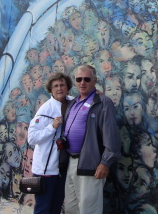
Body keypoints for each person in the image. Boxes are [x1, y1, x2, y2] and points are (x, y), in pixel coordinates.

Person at [63, 65, 121, 214]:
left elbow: (111, 136)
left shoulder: (103, 102)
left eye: (87, 79)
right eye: (79, 79)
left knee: (89, 210)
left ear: (94, 80)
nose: (82, 83)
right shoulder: (72, 103)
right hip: (71, 162)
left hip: (91, 164)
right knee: (71, 208)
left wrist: (105, 163)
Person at [28, 72, 74, 214]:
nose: (59, 88)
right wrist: (51, 127)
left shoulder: (73, 102)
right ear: (50, 89)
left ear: (67, 87)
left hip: (63, 168)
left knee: (56, 208)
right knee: (43, 209)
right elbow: (32, 138)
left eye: (62, 85)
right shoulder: (46, 109)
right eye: (55, 86)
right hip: (46, 170)